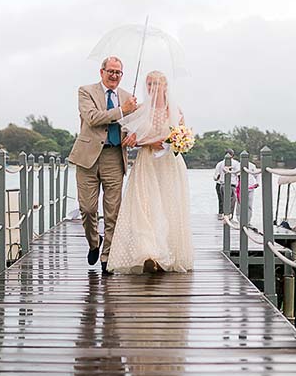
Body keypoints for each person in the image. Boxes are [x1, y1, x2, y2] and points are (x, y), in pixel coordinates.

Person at [106, 70, 194, 274]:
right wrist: (147, 141)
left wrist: (177, 142)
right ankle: (149, 253)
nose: (153, 88)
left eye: (156, 84)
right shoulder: (140, 110)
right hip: (147, 163)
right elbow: (130, 140)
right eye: (149, 85)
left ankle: (167, 253)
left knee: (168, 207)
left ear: (165, 87)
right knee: (146, 207)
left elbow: (183, 141)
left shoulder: (176, 111)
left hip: (170, 165)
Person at [67, 56, 137, 275]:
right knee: (87, 209)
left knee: (112, 212)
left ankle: (107, 257)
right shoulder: (86, 91)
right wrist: (122, 110)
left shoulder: (128, 98)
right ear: (102, 72)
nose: (114, 76)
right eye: (111, 71)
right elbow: (92, 118)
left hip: (115, 157)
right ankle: (94, 242)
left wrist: (134, 133)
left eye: (118, 72)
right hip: (87, 158)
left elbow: (135, 123)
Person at [213, 150, 241, 217]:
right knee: (232, 201)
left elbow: (215, 177)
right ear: (233, 155)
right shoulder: (236, 163)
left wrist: (218, 178)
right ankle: (229, 216)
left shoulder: (220, 164)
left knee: (222, 201)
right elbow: (239, 174)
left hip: (221, 184)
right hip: (231, 185)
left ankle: (222, 214)